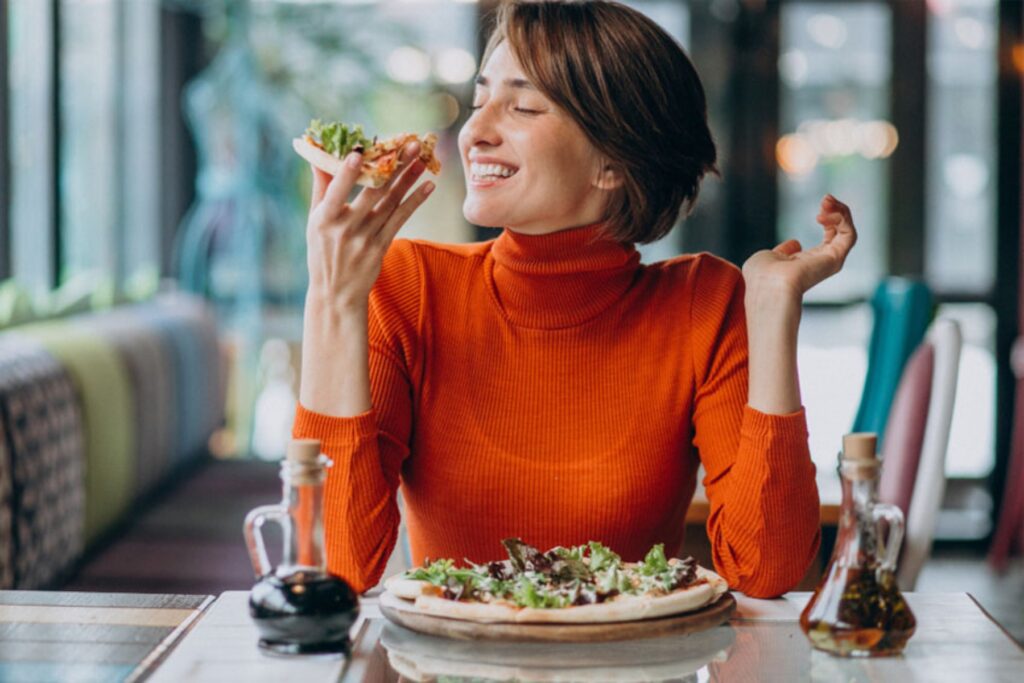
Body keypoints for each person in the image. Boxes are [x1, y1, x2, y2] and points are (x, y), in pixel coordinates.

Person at [293, 0, 857, 599]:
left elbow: (769, 569)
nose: (474, 133)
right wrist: (333, 299)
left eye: (524, 106)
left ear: (613, 162)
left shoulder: (704, 303)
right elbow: (334, 572)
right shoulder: (407, 287)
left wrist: (770, 313)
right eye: (480, 99)